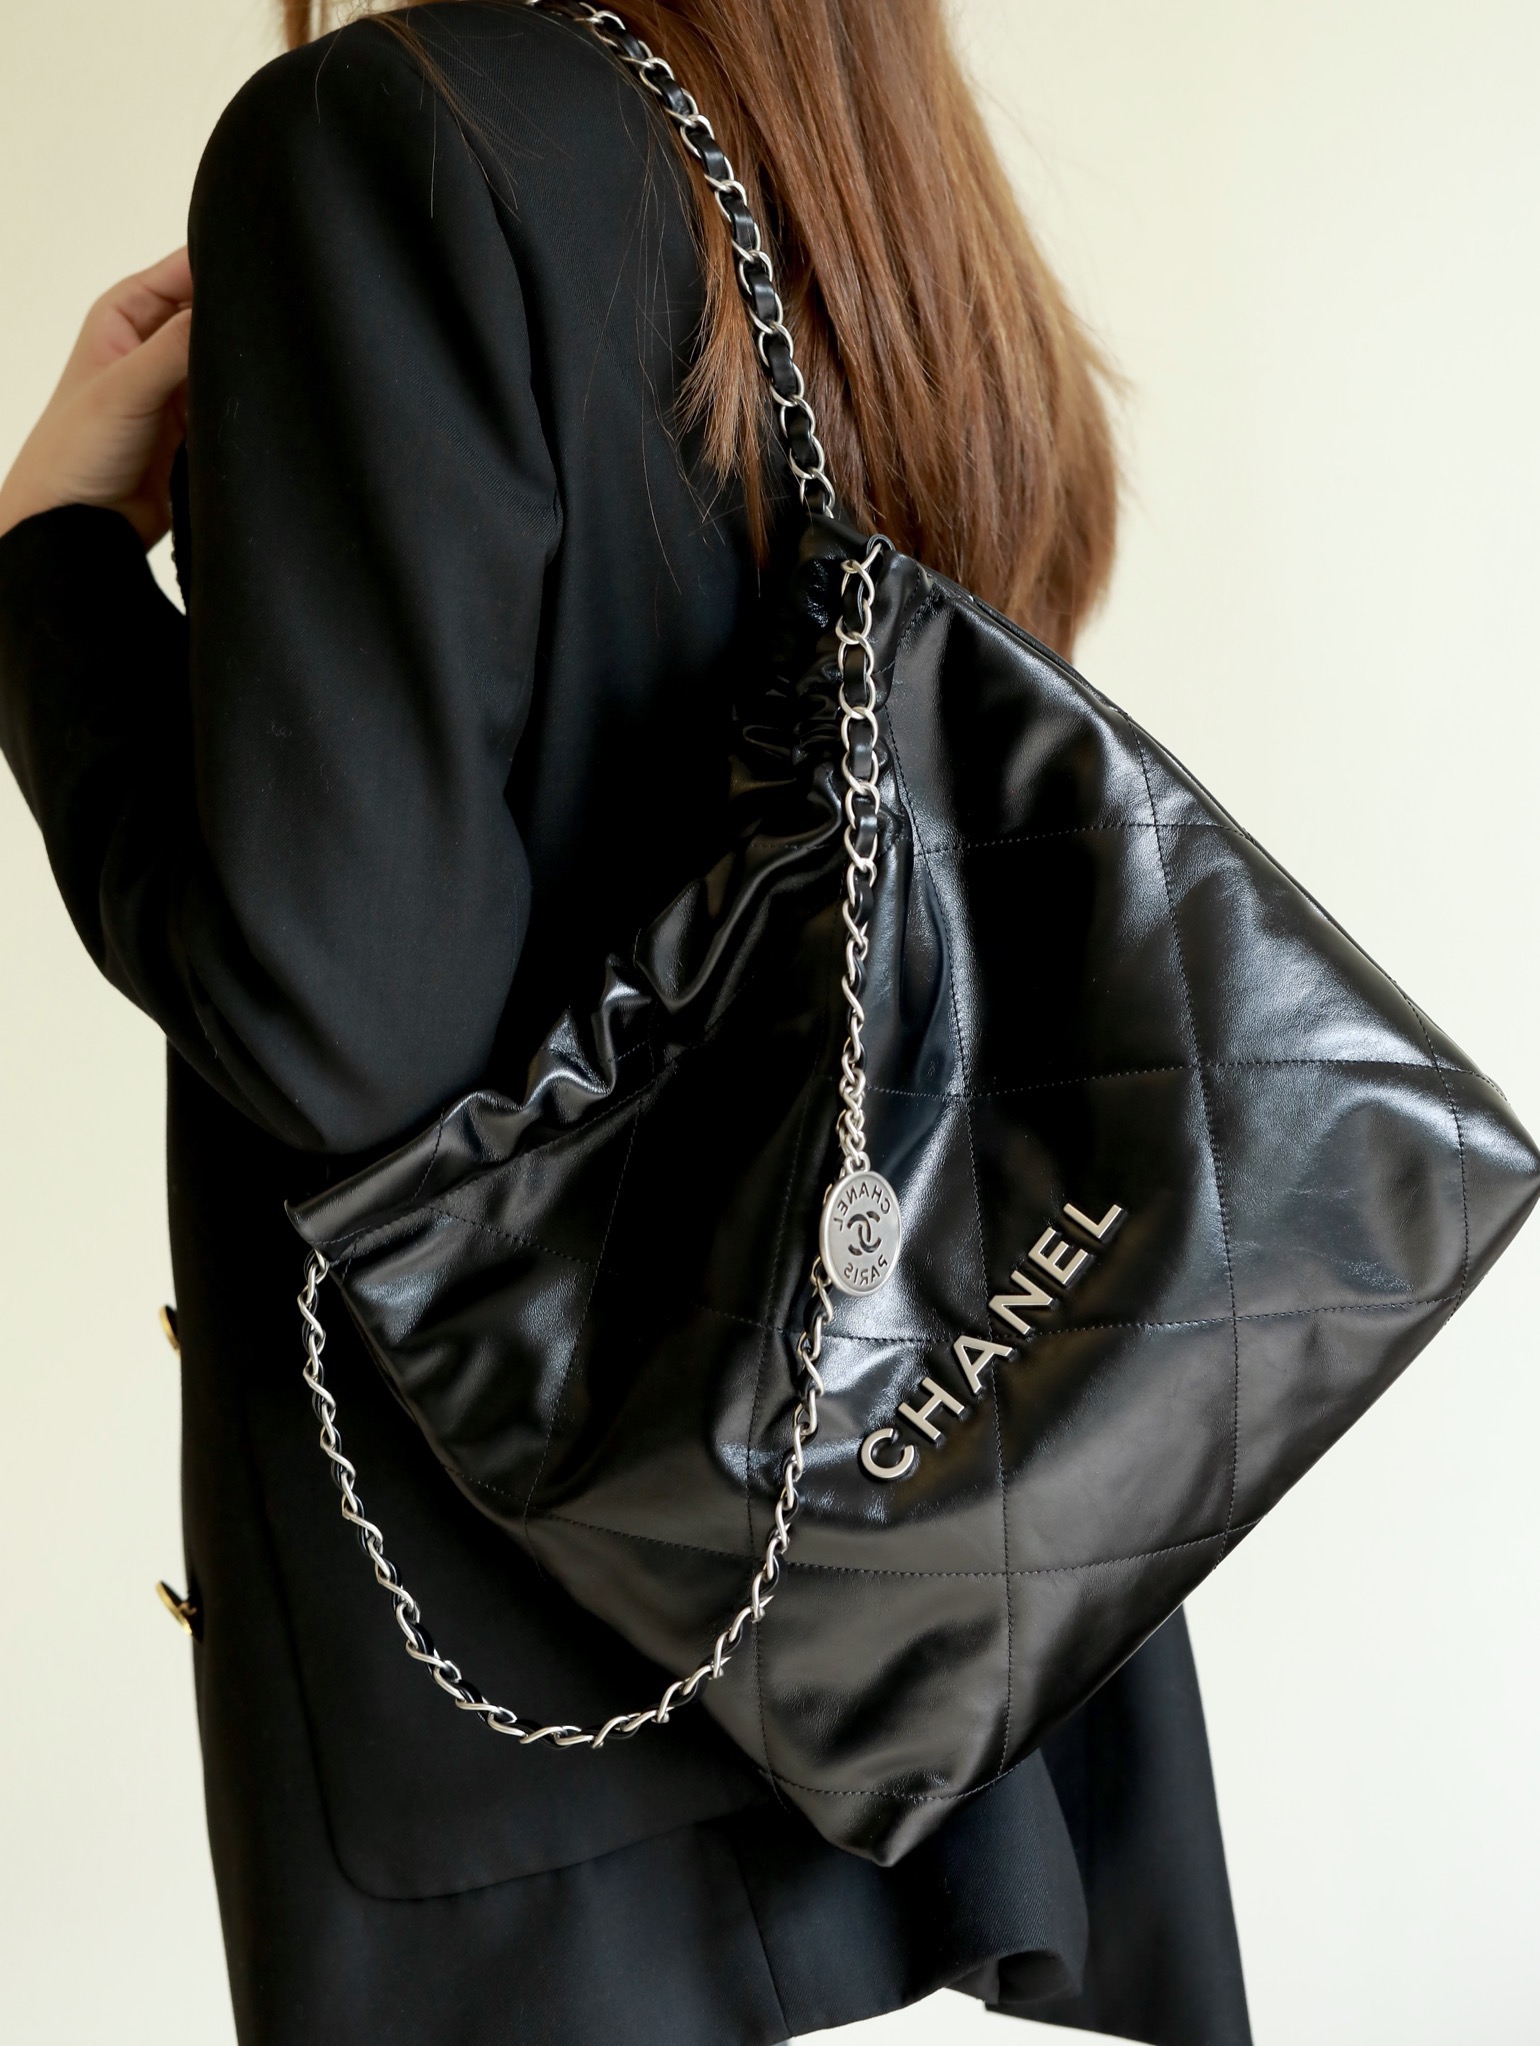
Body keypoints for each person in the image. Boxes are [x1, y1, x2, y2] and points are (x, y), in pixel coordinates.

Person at [0, 4, 1252, 2042]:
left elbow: (336, 1024)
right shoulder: (845, 146)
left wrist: (49, 565)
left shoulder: (384, 137)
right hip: (940, 1581)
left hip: (544, 1706)